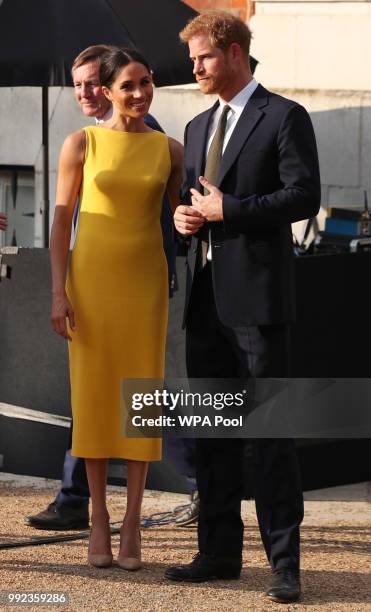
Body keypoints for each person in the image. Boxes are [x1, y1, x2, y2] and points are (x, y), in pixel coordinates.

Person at [164, 11, 321, 604]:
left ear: (233, 53)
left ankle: (285, 564)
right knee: (214, 435)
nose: (195, 68)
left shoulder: (284, 116)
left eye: (202, 57)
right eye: (193, 60)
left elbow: (305, 194)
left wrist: (234, 211)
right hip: (204, 303)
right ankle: (219, 553)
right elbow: (195, 203)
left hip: (257, 302)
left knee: (271, 435)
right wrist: (184, 220)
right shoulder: (199, 126)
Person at [27, 45, 198, 532]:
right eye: (129, 85)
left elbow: (184, 218)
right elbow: (61, 224)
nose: (141, 92)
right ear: (109, 91)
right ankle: (95, 514)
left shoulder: (168, 148)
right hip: (92, 283)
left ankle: (131, 522)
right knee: (94, 397)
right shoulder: (80, 142)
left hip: (143, 285)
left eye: (146, 83)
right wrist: (58, 293)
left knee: (141, 397)